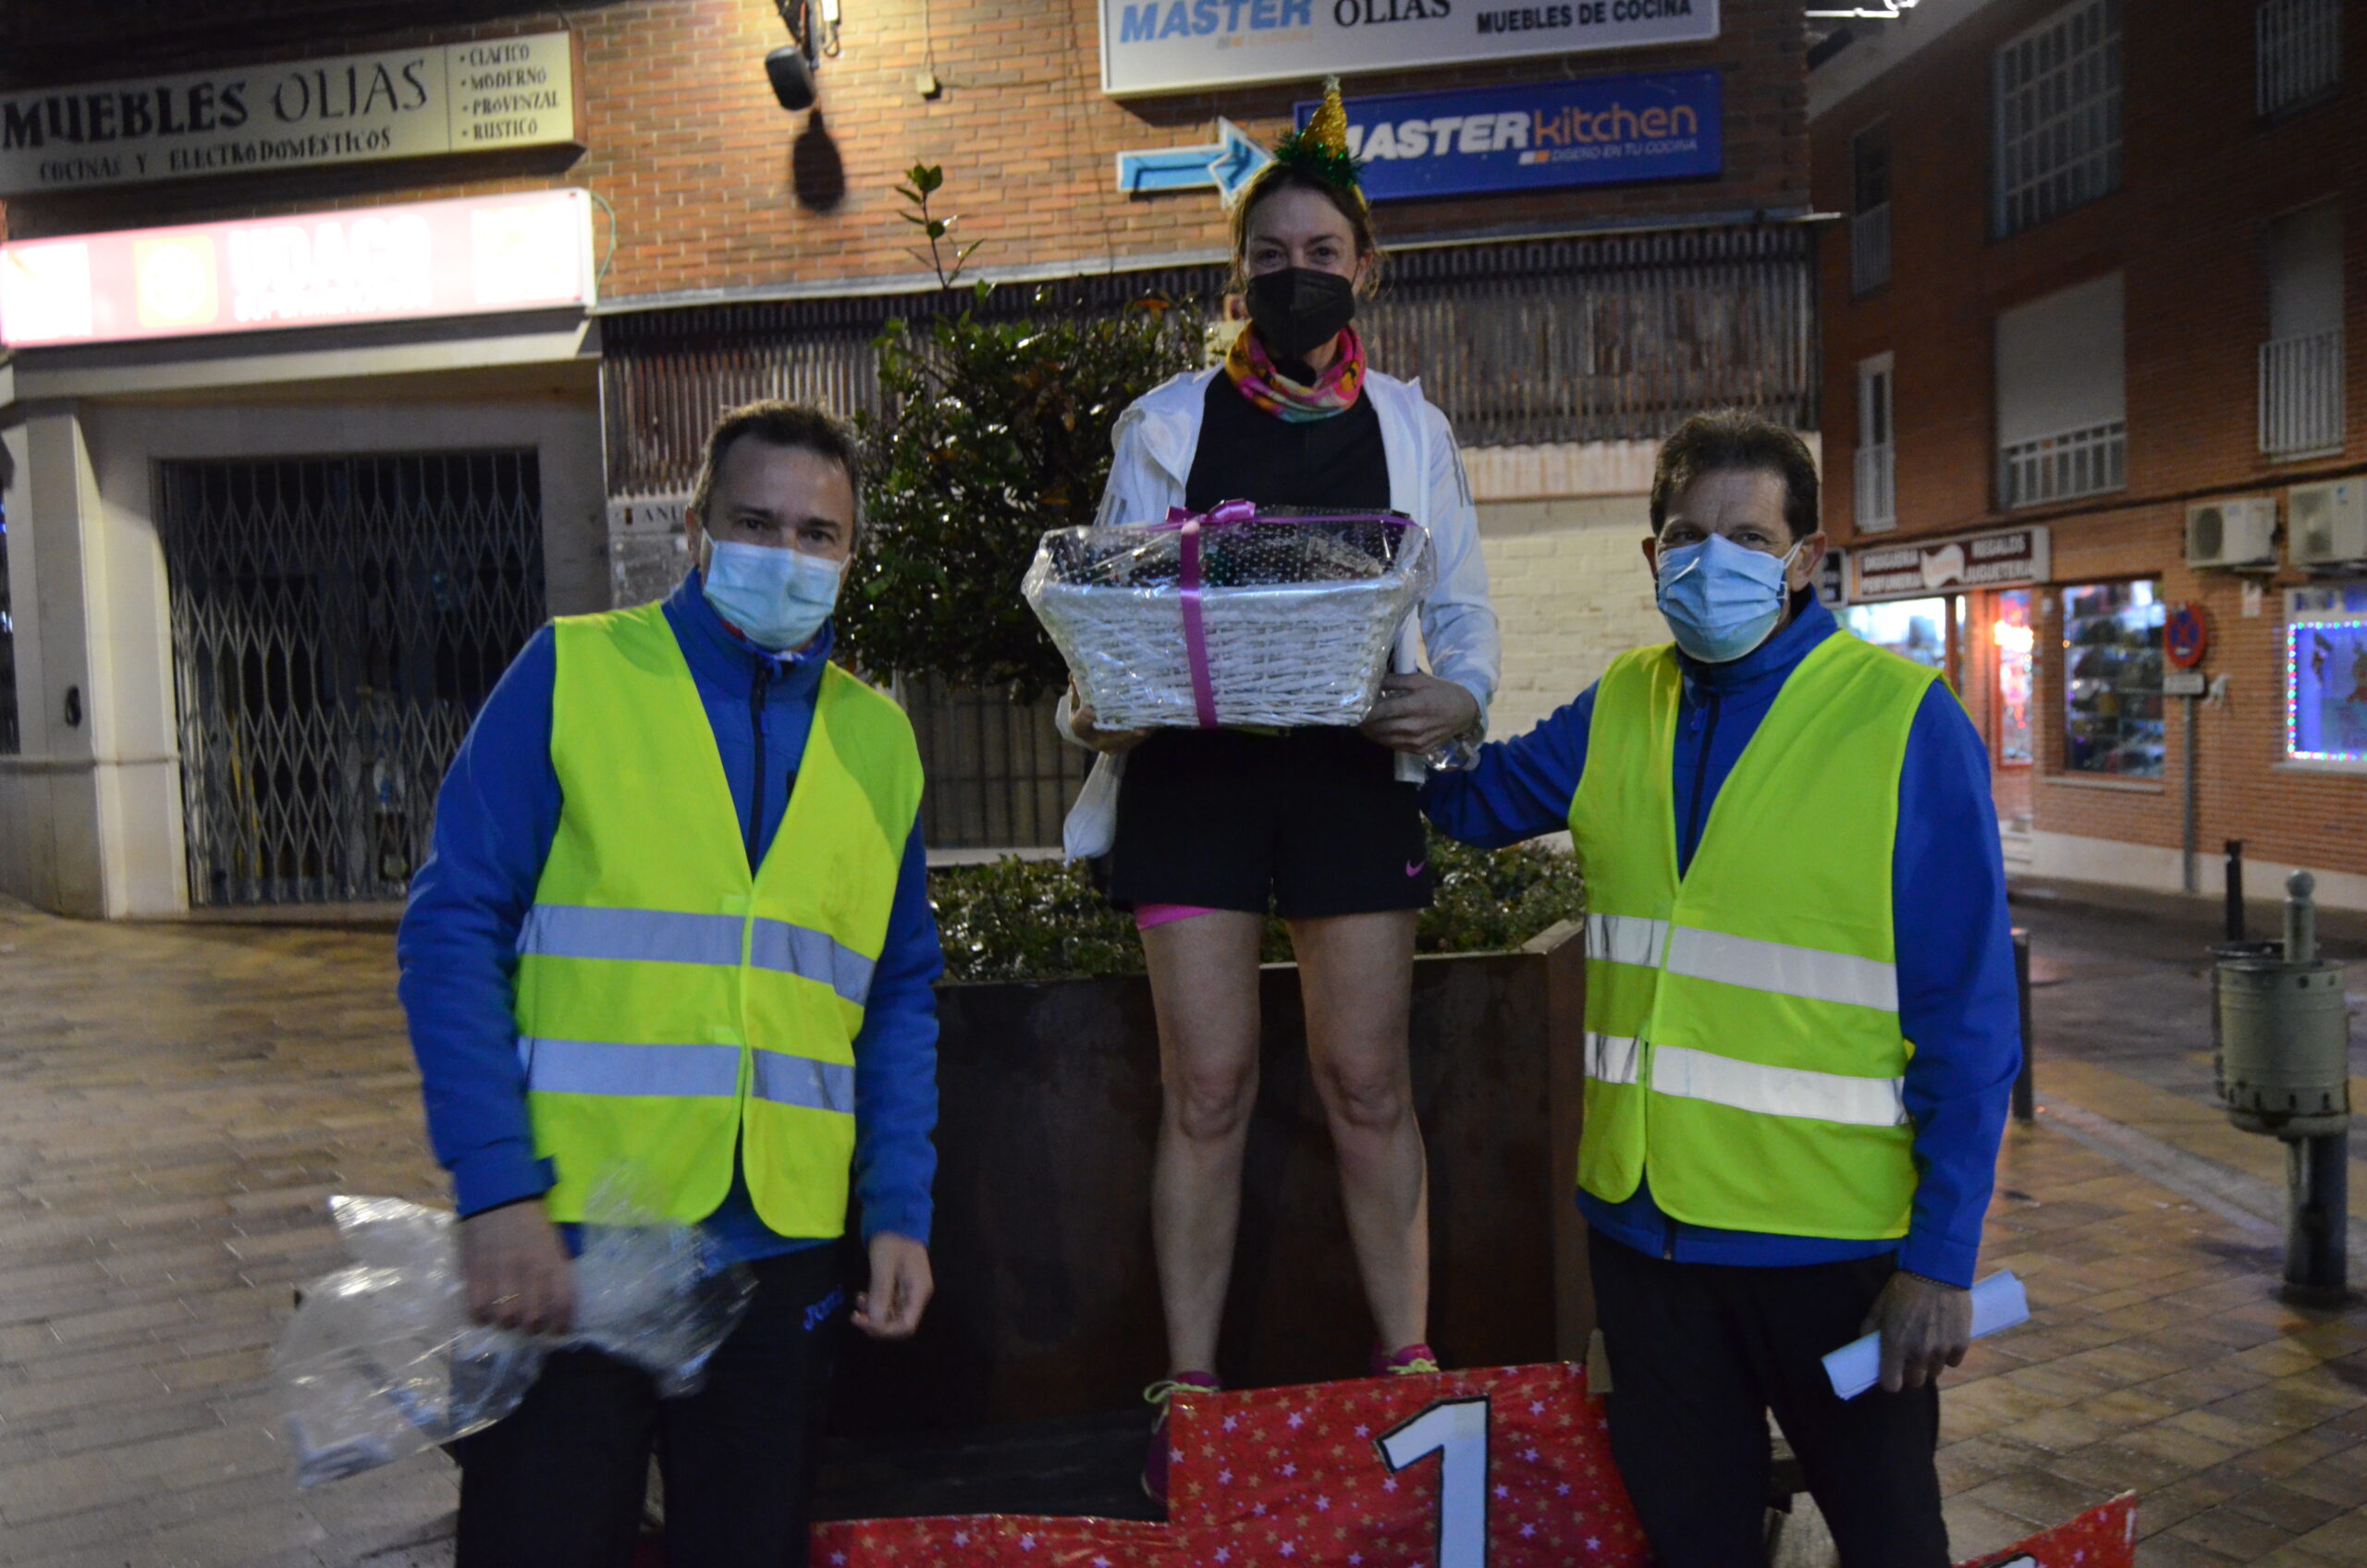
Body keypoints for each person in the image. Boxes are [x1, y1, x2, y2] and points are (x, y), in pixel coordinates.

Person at [1423, 410, 2017, 1566]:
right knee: (1693, 1544)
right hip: (1647, 1247)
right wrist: (1396, 707)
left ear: (1803, 558)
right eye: (1687, 537)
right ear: (1652, 557)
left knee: (1893, 1542)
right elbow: (1468, 803)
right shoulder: (1621, 702)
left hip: (1830, 1250)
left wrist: (1940, 1259)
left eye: (1747, 537)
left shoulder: (1903, 721)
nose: (1712, 561)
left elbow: (1969, 1016)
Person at [398, 401, 942, 1568]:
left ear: (851, 553)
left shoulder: (880, 742)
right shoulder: (574, 673)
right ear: (696, 529)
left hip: (782, 1249)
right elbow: (451, 928)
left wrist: (899, 1206)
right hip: (572, 1233)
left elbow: (897, 992)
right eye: (755, 523)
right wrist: (494, 1188)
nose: (785, 555)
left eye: (817, 534)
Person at [1061, 80, 1501, 1502]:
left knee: (1368, 1082)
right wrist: (1095, 695)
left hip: (1348, 783)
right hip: (1192, 782)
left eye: (1321, 253)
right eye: (1270, 256)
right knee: (1208, 1088)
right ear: (1236, 274)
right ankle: (1191, 1391)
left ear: (1365, 267)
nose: (1295, 275)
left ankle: (1409, 1369)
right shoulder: (1165, 425)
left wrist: (1461, 700)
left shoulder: (1415, 430)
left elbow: (1465, 620)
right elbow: (1112, 600)